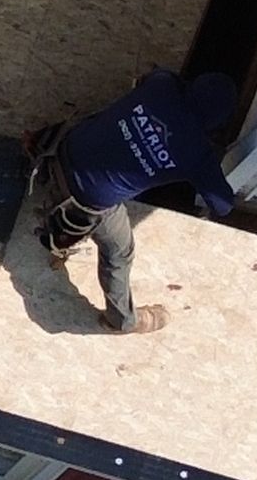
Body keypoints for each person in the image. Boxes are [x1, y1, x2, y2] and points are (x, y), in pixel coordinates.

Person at [25, 69, 240, 336]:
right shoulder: (197, 154)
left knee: (102, 126)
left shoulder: (162, 84)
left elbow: (146, 79)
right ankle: (122, 320)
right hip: (86, 198)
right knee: (119, 253)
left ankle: (43, 170)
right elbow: (222, 205)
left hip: (66, 146)